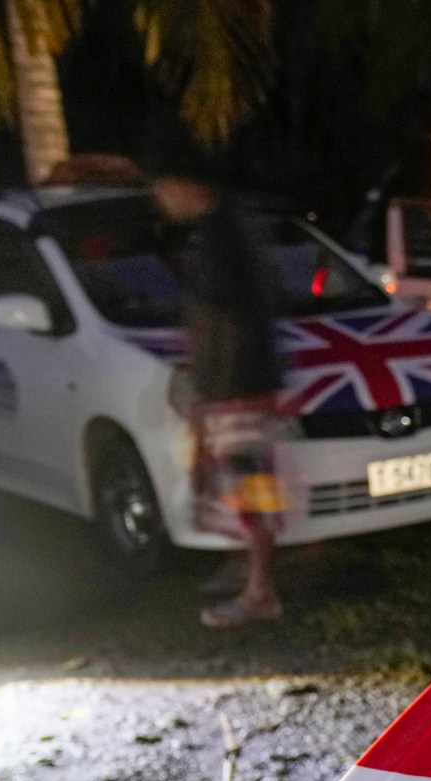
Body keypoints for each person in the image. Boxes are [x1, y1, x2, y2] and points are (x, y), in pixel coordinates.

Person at [147, 154, 288, 630]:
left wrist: (208, 393)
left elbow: (222, 322)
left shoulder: (220, 237)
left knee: (250, 487)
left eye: (161, 189)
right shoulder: (234, 226)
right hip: (246, 382)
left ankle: (261, 591)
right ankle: (248, 572)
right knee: (241, 485)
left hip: (237, 387)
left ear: (184, 184)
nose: (159, 201)